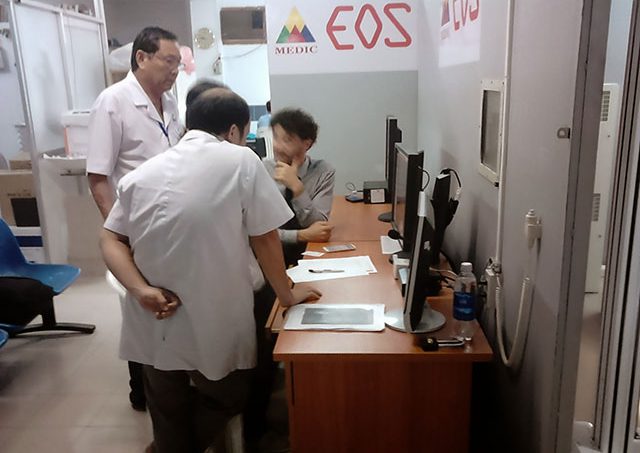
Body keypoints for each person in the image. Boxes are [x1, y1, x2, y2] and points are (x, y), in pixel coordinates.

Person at [100, 88, 321, 453]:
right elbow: (265, 237)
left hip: (153, 312)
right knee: (230, 395)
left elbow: (110, 238)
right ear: (234, 131)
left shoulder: (142, 173)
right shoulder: (241, 160)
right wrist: (287, 294)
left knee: (167, 409)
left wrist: (139, 289)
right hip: (211, 313)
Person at [86, 26, 184, 412]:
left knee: (162, 302)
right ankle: (140, 390)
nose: (175, 70)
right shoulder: (113, 102)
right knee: (137, 303)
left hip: (170, 223)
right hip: (133, 226)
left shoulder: (170, 102)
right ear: (142, 58)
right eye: (169, 61)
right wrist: (119, 232)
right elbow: (98, 176)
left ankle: (169, 374)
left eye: (178, 63)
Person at [262, 108, 336, 266]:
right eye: (275, 137)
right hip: (270, 259)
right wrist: (301, 235)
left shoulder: (322, 171)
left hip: (310, 256)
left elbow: (319, 227)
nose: (277, 146)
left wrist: (297, 188)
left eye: (287, 140)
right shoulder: (261, 169)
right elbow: (258, 233)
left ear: (306, 144)